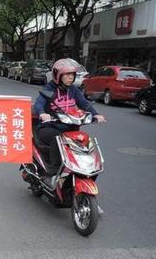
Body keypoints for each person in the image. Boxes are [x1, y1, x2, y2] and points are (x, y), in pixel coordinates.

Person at [32, 58, 105, 189]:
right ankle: (53, 173)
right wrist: (43, 113)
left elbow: (84, 103)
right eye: (67, 75)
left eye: (72, 75)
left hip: (70, 129)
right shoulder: (49, 89)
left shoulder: (73, 90)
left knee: (85, 141)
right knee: (57, 139)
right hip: (48, 128)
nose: (71, 78)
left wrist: (96, 115)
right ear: (58, 75)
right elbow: (39, 104)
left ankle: (85, 169)